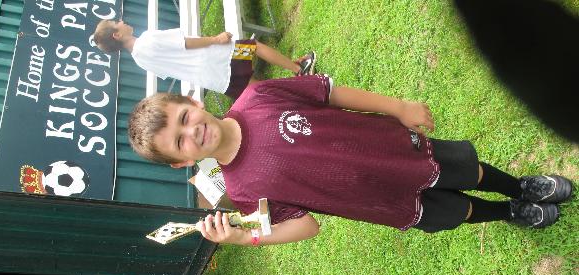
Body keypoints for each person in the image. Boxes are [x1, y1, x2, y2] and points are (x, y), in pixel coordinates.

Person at [127, 75, 573, 246]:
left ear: (193, 102)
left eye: (185, 118)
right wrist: (244, 237)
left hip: (392, 149)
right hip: (381, 202)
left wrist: (398, 106)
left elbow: (330, 95)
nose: (192, 132)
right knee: (459, 211)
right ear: (180, 164)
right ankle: (510, 212)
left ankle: (520, 187)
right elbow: (306, 226)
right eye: (180, 142)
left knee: (468, 171)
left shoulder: (259, 96)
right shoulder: (242, 192)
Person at [93, 19, 316, 100]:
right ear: (116, 35)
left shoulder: (139, 60)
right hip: (217, 57)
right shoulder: (147, 39)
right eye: (116, 23)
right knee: (254, 47)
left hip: (212, 77)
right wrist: (216, 39)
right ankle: (300, 69)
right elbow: (185, 43)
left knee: (259, 88)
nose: (121, 21)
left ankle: (305, 93)